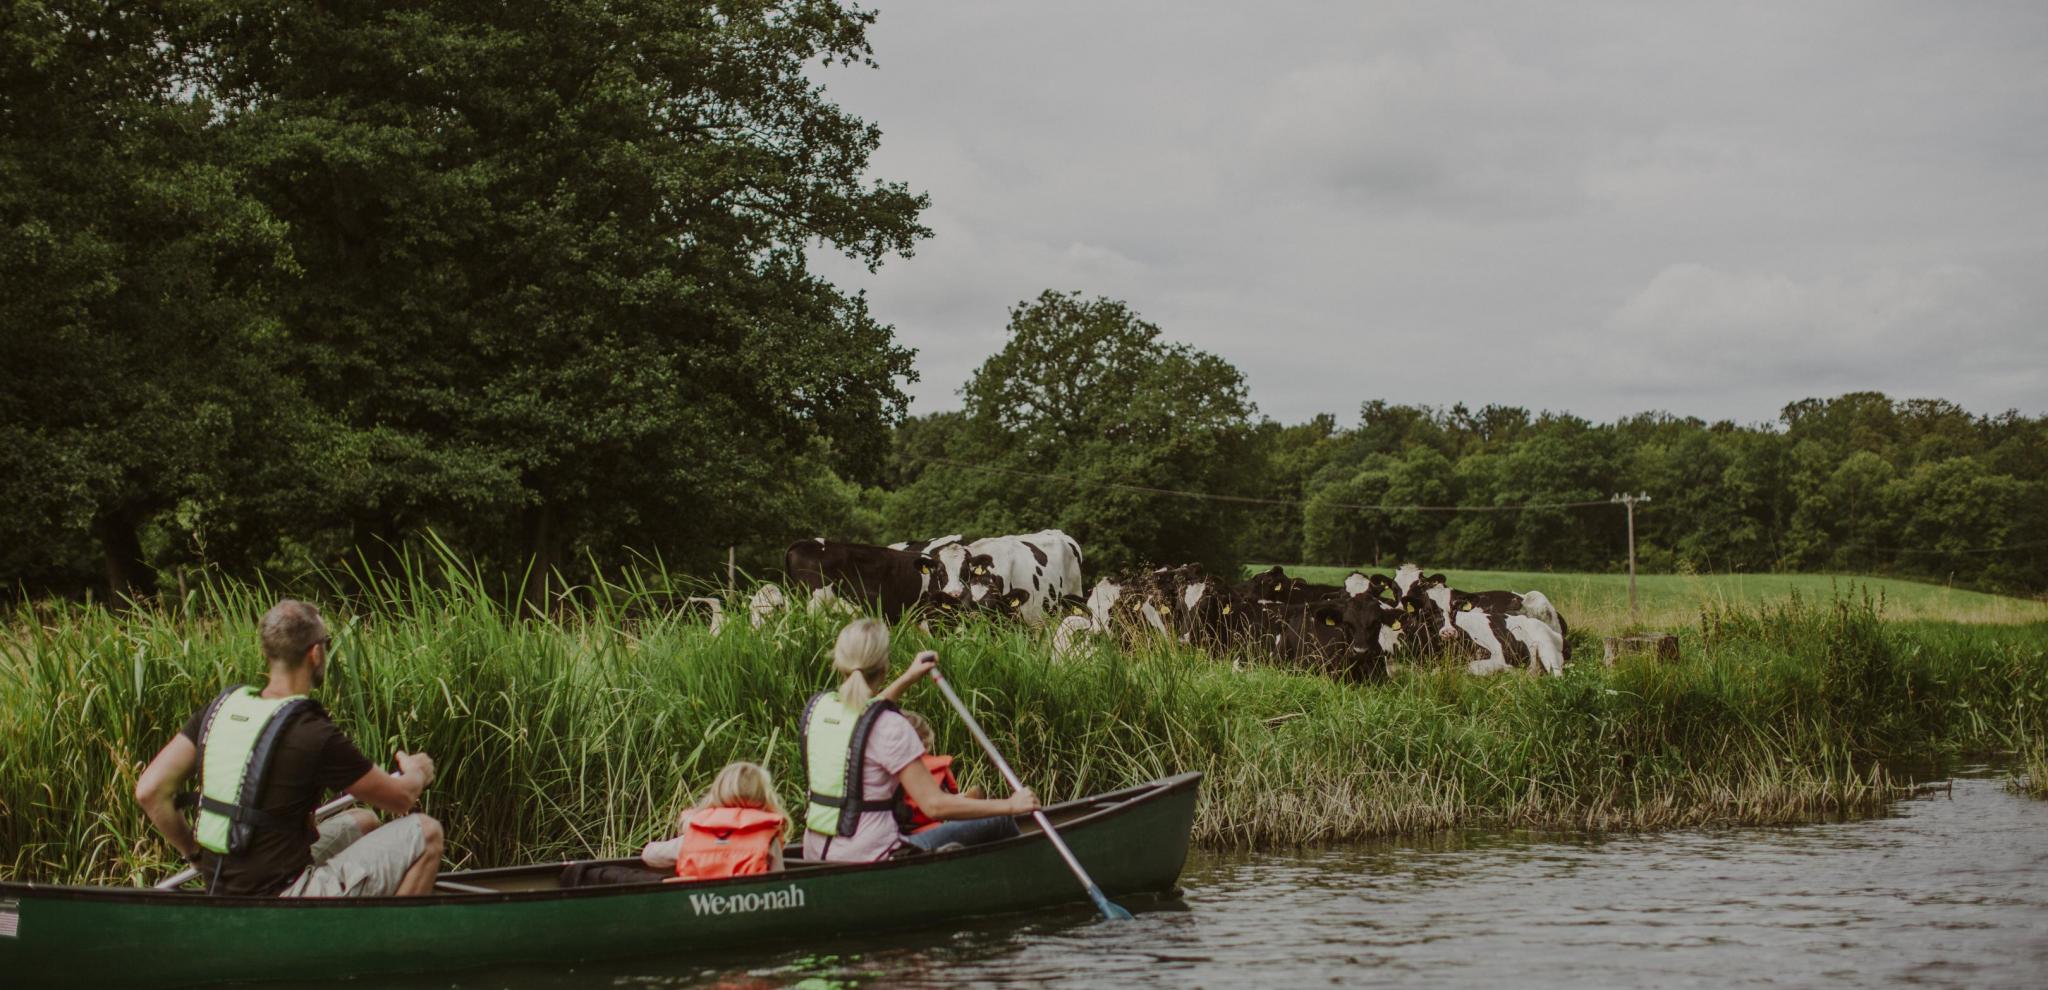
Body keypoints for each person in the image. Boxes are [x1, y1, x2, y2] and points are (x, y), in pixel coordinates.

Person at [133, 599, 444, 896]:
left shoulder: (219, 709)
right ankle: (384, 946)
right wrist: (416, 772)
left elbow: (149, 790)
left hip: (222, 883)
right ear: (315, 654)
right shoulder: (314, 732)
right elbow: (399, 798)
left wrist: (194, 855)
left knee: (365, 821)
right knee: (428, 832)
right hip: (281, 894)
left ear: (268, 654)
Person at [801, 618, 1036, 863]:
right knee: (999, 820)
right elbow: (934, 806)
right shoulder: (891, 726)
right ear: (885, 665)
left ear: (840, 662)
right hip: (872, 856)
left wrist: (910, 677)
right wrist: (1011, 804)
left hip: (815, 853)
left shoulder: (820, 709)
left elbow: (866, 716)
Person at [892, 711, 1021, 851]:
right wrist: (1009, 805)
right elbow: (937, 807)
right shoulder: (919, 767)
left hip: (908, 834)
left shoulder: (885, 769)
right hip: (914, 838)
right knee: (1001, 817)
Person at [640, 761, 789, 880]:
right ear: (764, 796)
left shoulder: (694, 836)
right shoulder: (767, 838)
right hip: (747, 906)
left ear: (717, 792)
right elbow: (779, 881)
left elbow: (649, 855)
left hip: (697, 907)